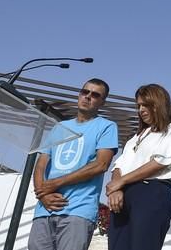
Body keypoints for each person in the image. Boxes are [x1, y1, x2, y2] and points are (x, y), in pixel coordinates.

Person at [29, 78, 118, 250]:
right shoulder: (59, 127)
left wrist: (56, 183)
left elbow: (101, 165)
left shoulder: (106, 126)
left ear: (102, 102)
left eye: (95, 95)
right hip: (43, 210)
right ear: (79, 94)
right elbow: (41, 164)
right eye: (85, 92)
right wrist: (43, 195)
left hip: (77, 210)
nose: (87, 97)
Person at [105, 84, 171, 250]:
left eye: (146, 105)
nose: (141, 109)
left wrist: (121, 182)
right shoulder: (135, 137)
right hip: (123, 197)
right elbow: (118, 166)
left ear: (158, 104)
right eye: (138, 105)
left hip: (151, 192)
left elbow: (161, 161)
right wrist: (116, 190)